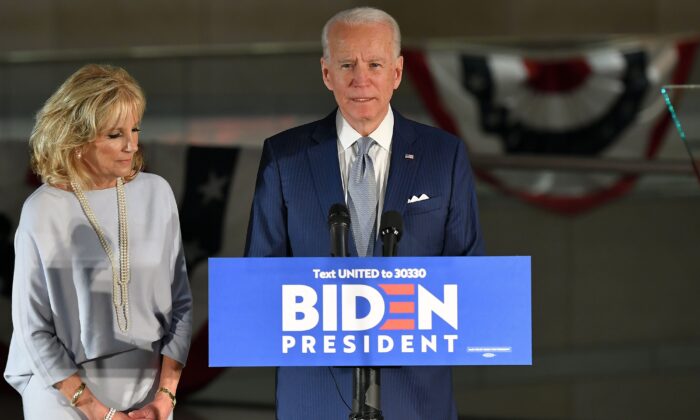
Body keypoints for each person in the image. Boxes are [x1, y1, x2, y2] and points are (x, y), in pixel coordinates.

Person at [245, 6, 484, 420]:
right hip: (314, 399)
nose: (361, 79)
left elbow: (470, 276)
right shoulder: (284, 158)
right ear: (326, 73)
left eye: (374, 64)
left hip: (416, 399)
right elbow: (258, 279)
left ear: (396, 72)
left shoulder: (444, 156)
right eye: (347, 64)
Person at [3, 64, 192, 420]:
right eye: (114, 134)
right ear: (76, 138)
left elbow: (181, 303)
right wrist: (97, 410)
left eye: (134, 129)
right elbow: (33, 327)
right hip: (64, 394)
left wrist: (166, 393)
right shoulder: (42, 210)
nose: (132, 145)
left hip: (152, 393)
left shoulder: (157, 193)